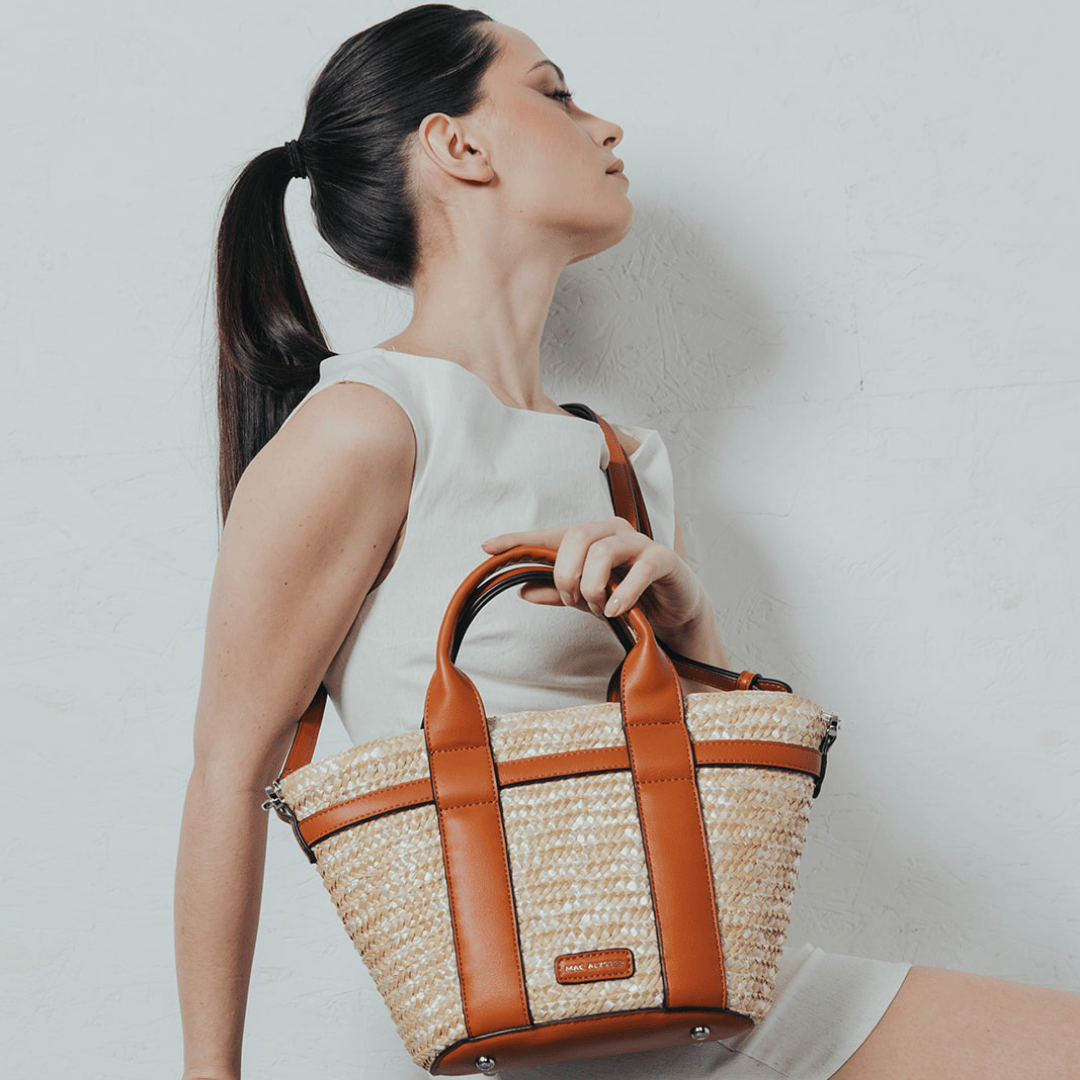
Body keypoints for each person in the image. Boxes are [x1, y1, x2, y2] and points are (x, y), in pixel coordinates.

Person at [174, 5, 1080, 1079]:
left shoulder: (619, 459)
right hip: (544, 1030)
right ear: (457, 145)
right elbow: (231, 773)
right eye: (555, 92)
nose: (607, 129)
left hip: (713, 994)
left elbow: (706, 803)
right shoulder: (368, 425)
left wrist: (691, 625)